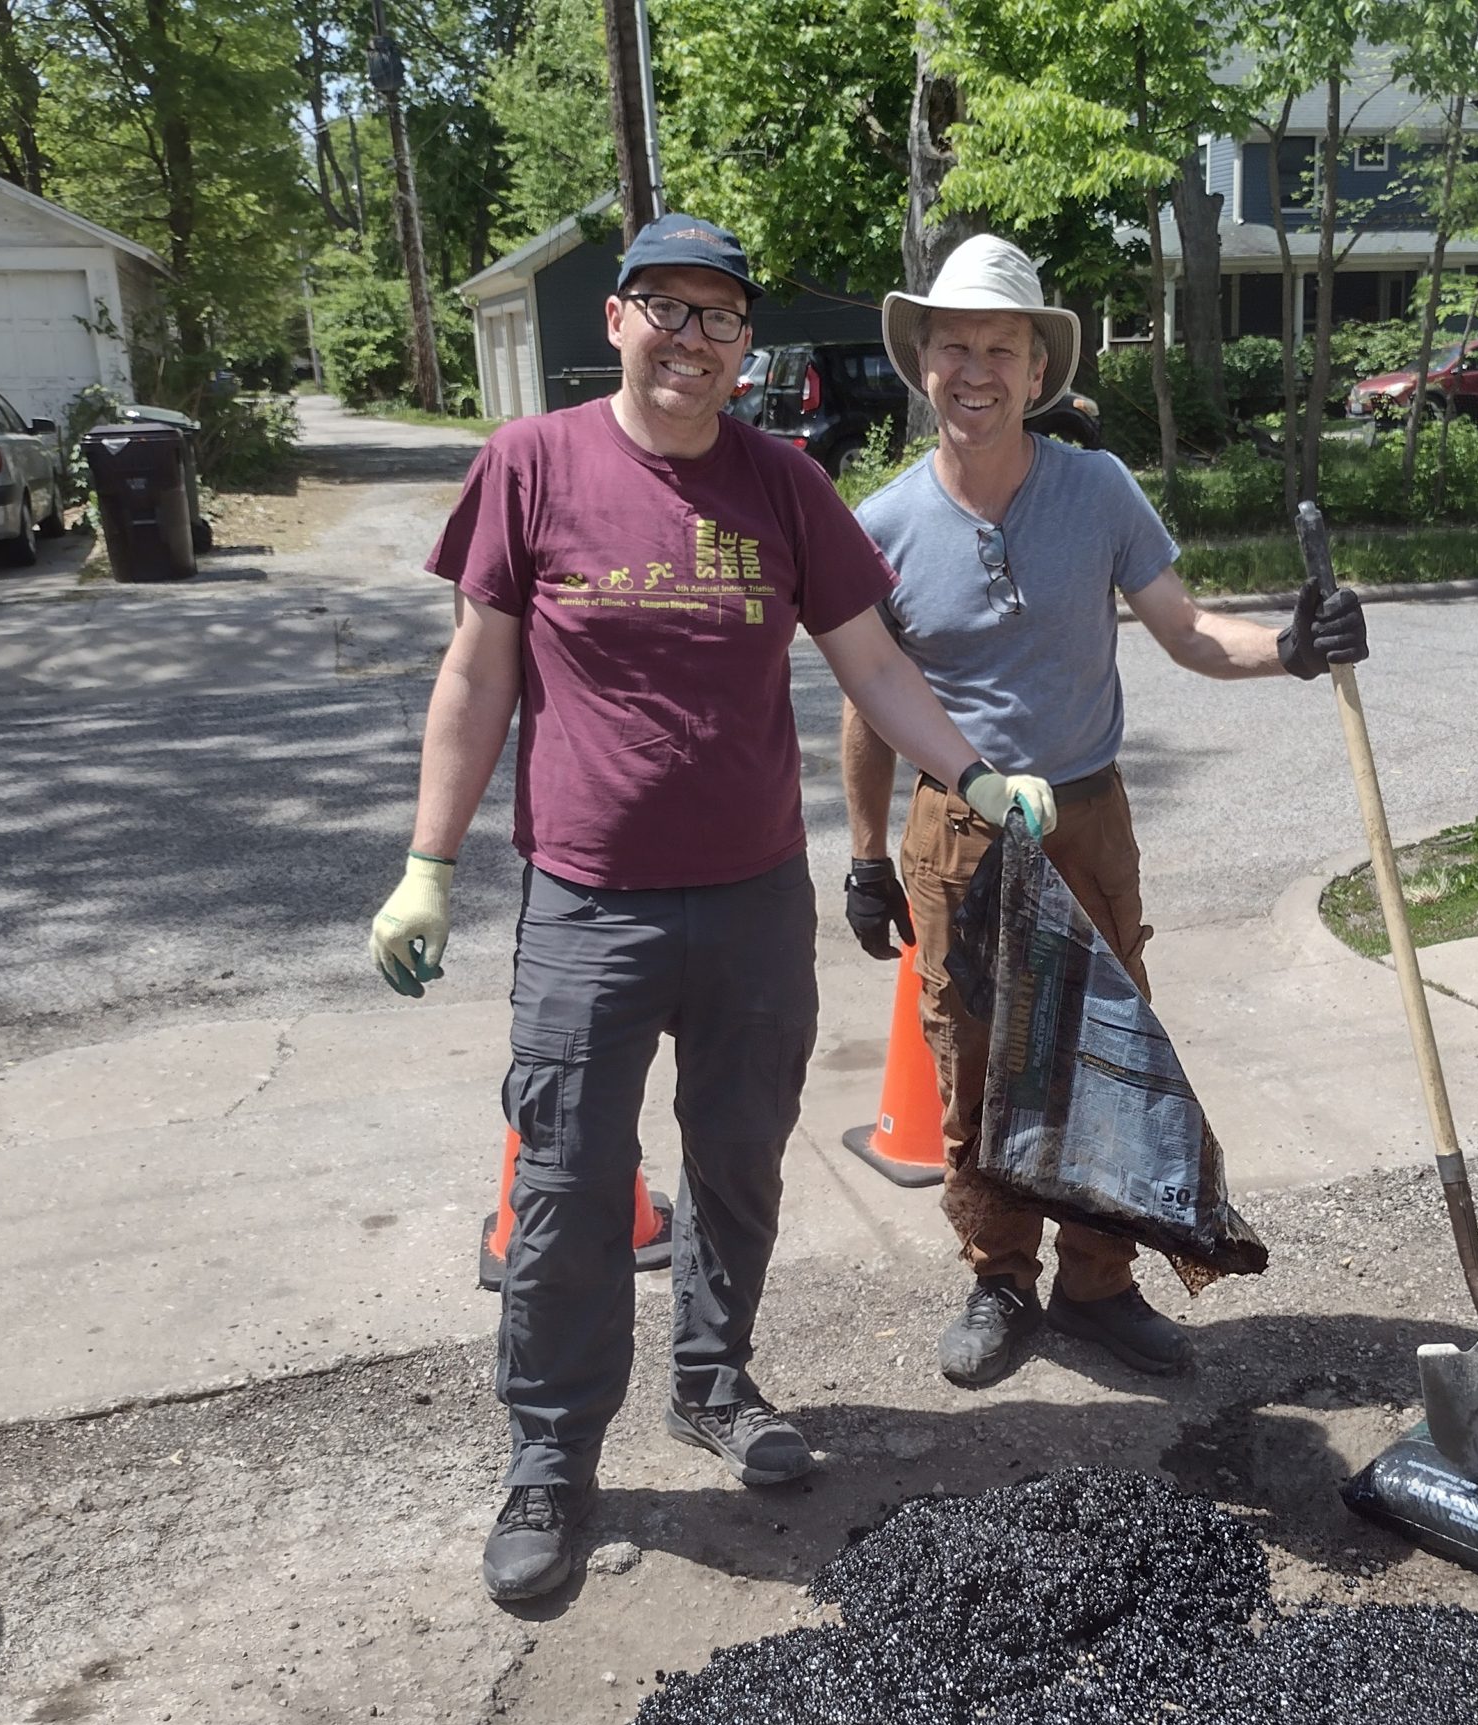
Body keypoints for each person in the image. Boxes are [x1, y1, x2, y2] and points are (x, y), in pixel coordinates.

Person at [367, 214, 1056, 1602]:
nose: (691, 337)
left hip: (750, 905)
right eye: (666, 308)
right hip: (588, 907)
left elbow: (869, 662)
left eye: (720, 317)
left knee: (737, 1167)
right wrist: (428, 863)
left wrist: (974, 774)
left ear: (748, 348)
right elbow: (476, 676)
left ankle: (713, 1378)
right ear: (615, 319)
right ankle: (553, 1457)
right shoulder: (530, 466)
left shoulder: (784, 485)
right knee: (566, 1189)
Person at [840, 234, 1367, 1390]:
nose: (974, 369)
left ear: (1038, 372)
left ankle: (1097, 1284)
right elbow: (869, 702)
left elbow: (1185, 632)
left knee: (1102, 1053)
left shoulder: (1099, 489)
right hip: (957, 835)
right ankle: (997, 1279)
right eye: (952, 347)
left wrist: (1285, 646)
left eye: (1000, 348)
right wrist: (868, 856)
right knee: (973, 1064)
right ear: (919, 364)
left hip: (1085, 817)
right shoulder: (877, 528)